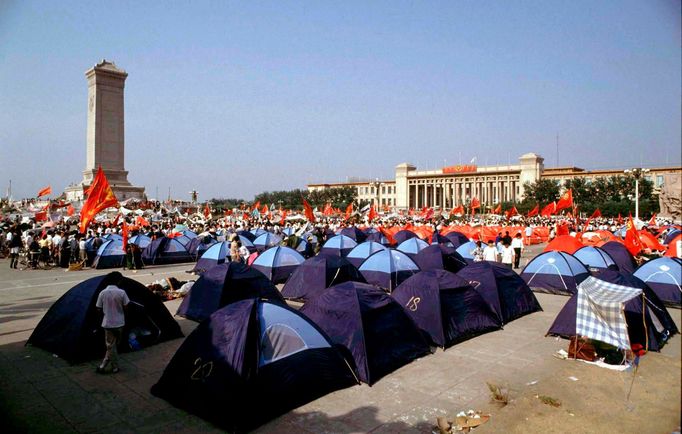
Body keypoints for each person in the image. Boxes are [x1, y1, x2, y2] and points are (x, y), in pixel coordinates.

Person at [95, 272, 130, 374]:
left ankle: (104, 366)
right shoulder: (122, 292)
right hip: (119, 323)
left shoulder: (102, 293)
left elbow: (98, 308)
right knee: (114, 346)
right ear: (118, 281)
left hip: (108, 323)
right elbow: (127, 306)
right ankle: (111, 366)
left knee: (111, 346)